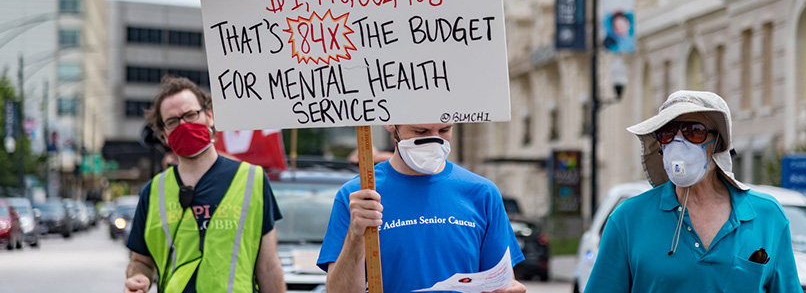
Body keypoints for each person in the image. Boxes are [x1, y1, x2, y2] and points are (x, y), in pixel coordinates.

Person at [584, 90, 802, 292]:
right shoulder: (628, 219)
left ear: (718, 143)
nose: (678, 143)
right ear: (660, 144)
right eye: (668, 133)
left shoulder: (767, 215)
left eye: (694, 131)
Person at [317, 123, 527, 293]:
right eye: (421, 131)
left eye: (444, 130)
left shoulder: (482, 193)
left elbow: (502, 282)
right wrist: (355, 236)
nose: (434, 140)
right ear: (391, 124)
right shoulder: (358, 195)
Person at [124, 76, 286, 293]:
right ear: (164, 134)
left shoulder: (253, 180)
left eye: (191, 115)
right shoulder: (152, 192)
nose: (184, 125)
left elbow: (268, 266)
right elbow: (140, 261)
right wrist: (137, 279)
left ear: (209, 116)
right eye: (172, 122)